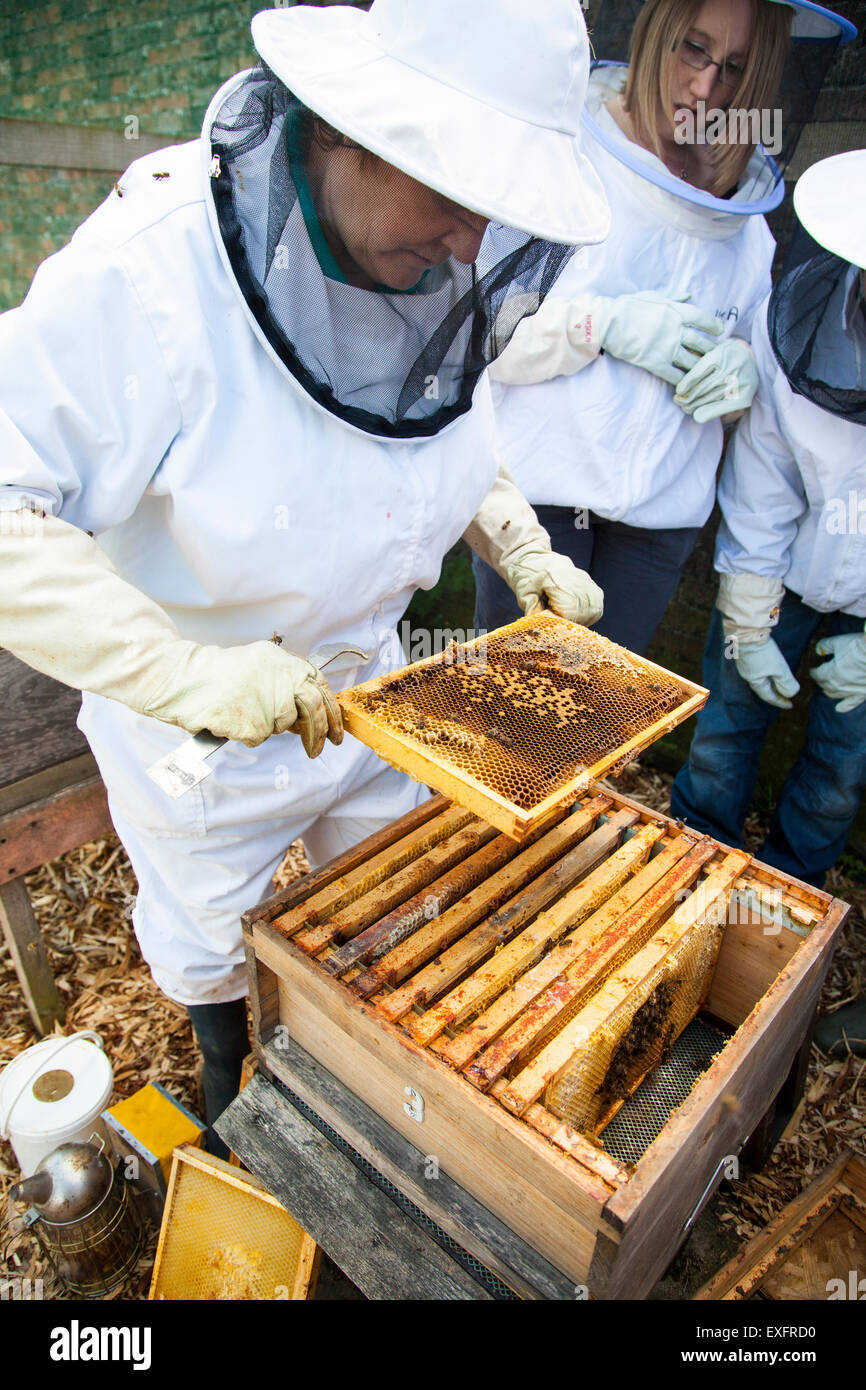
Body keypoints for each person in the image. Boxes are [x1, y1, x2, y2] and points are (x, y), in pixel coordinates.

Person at [0, 0, 612, 1152]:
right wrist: (178, 672)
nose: (472, 243)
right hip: (194, 729)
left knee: (393, 896)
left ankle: (365, 1073)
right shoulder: (151, 272)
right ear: (354, 133)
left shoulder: (430, 255)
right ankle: (232, 1081)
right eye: (453, 195)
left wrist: (519, 542)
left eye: (496, 209)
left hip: (369, 693)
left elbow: (438, 429)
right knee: (209, 926)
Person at [471, 0, 852, 656]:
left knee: (600, 730)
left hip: (659, 527)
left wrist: (744, 374)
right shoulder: (567, 164)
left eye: (733, 68)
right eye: (693, 50)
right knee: (509, 726)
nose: (706, 87)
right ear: (654, 36)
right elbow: (484, 337)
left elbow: (750, 381)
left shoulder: (749, 232)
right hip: (539, 503)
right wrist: (600, 325)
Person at [670, 150, 866, 1054]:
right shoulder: (804, 337)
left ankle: (780, 911)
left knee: (836, 774)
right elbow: (766, 482)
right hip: (781, 569)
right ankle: (687, 866)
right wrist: (749, 618)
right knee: (726, 725)